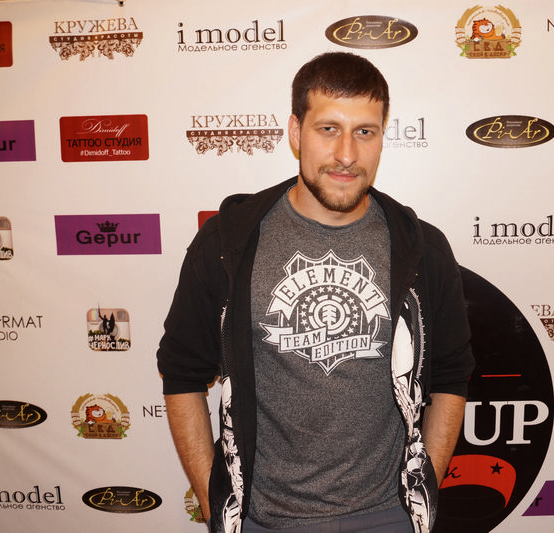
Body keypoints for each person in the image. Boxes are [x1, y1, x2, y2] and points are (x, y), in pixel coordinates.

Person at [157, 51, 474, 533]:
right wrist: (212, 501)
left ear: (382, 138)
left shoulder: (421, 248)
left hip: (389, 517)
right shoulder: (227, 243)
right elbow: (182, 373)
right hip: (264, 520)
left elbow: (451, 376)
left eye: (364, 132)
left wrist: (421, 489)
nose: (346, 154)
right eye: (328, 129)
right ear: (294, 132)